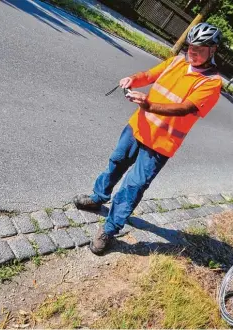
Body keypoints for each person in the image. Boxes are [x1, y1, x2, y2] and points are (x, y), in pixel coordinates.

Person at [73, 22, 224, 255]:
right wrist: (132, 79)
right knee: (116, 162)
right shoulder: (177, 61)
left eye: (199, 50)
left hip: (161, 144)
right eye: (190, 47)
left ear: (212, 50)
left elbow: (185, 108)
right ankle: (98, 197)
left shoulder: (211, 83)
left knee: (133, 186)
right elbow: (151, 75)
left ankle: (109, 230)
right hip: (137, 128)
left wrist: (149, 104)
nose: (192, 53)